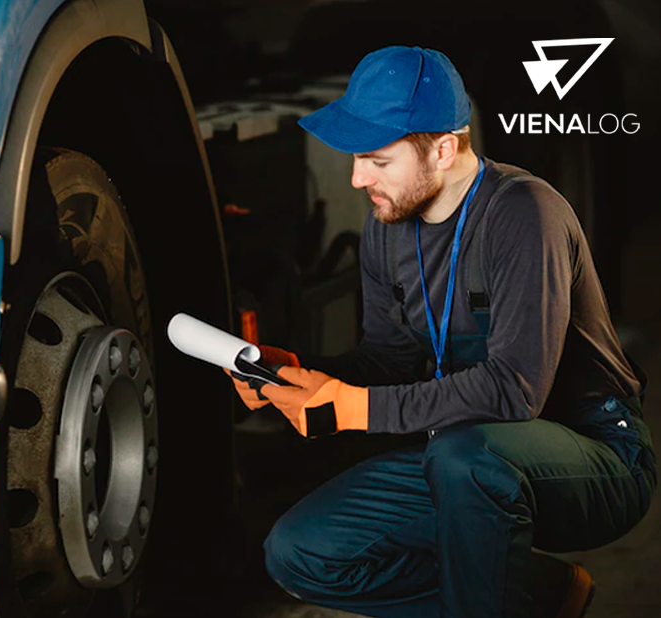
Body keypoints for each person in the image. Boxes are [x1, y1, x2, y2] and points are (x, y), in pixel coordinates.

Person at [227, 46, 656, 618]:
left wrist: (355, 409)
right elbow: (390, 356)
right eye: (358, 158)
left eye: (378, 160)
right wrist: (307, 375)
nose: (357, 179)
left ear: (445, 148)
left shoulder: (526, 214)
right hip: (463, 457)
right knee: (299, 551)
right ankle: (535, 592)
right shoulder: (387, 224)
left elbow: (514, 391)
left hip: (593, 454)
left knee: (464, 458)